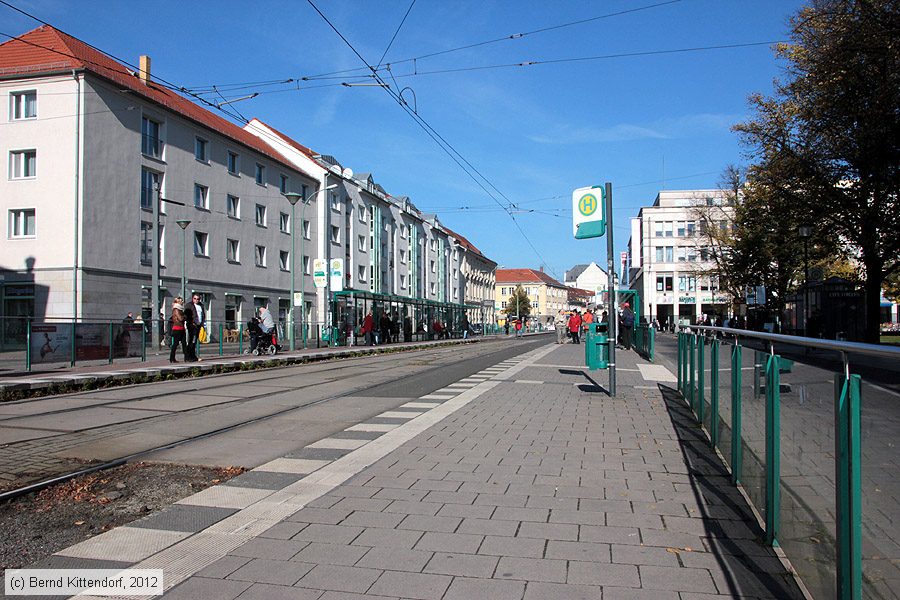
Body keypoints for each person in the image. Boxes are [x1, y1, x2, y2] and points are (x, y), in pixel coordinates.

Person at [184, 293, 205, 361]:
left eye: (198, 299)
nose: (196, 300)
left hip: (198, 325)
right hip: (192, 325)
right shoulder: (189, 305)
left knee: (194, 341)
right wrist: (191, 322)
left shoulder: (201, 305)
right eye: (194, 298)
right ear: (192, 298)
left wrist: (202, 323)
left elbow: (202, 315)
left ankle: (193, 356)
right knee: (191, 340)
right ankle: (188, 356)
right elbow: (187, 315)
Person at [169, 297, 189, 363]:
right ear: (177, 302)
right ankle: (172, 358)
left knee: (184, 343)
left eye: (182, 300)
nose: (182, 302)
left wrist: (184, 317)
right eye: (180, 301)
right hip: (177, 328)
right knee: (175, 344)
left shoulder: (180, 309)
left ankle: (186, 357)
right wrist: (185, 317)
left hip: (182, 328)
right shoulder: (176, 309)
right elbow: (180, 318)